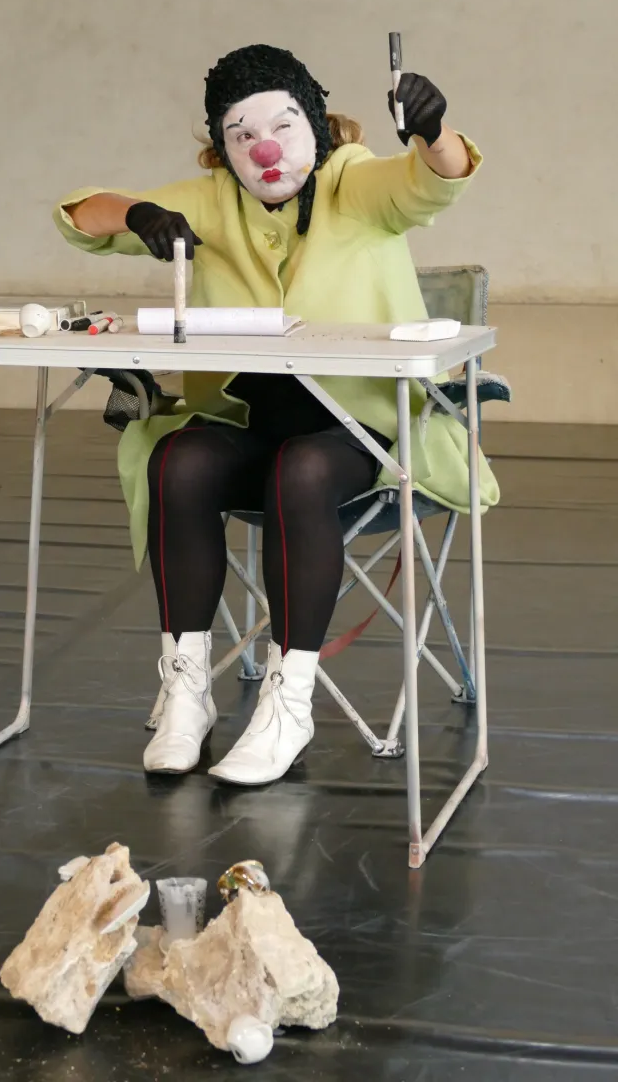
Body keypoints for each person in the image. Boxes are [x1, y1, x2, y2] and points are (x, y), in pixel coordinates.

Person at [54, 44, 499, 787]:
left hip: (364, 433)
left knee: (303, 469)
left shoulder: (353, 181)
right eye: (241, 134)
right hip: (250, 425)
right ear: (222, 147)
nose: (264, 147)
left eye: (283, 125)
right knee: (177, 460)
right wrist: (137, 213)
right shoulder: (211, 201)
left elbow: (433, 180)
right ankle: (186, 692)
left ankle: (287, 705)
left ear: (316, 127)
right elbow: (79, 216)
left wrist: (432, 129)